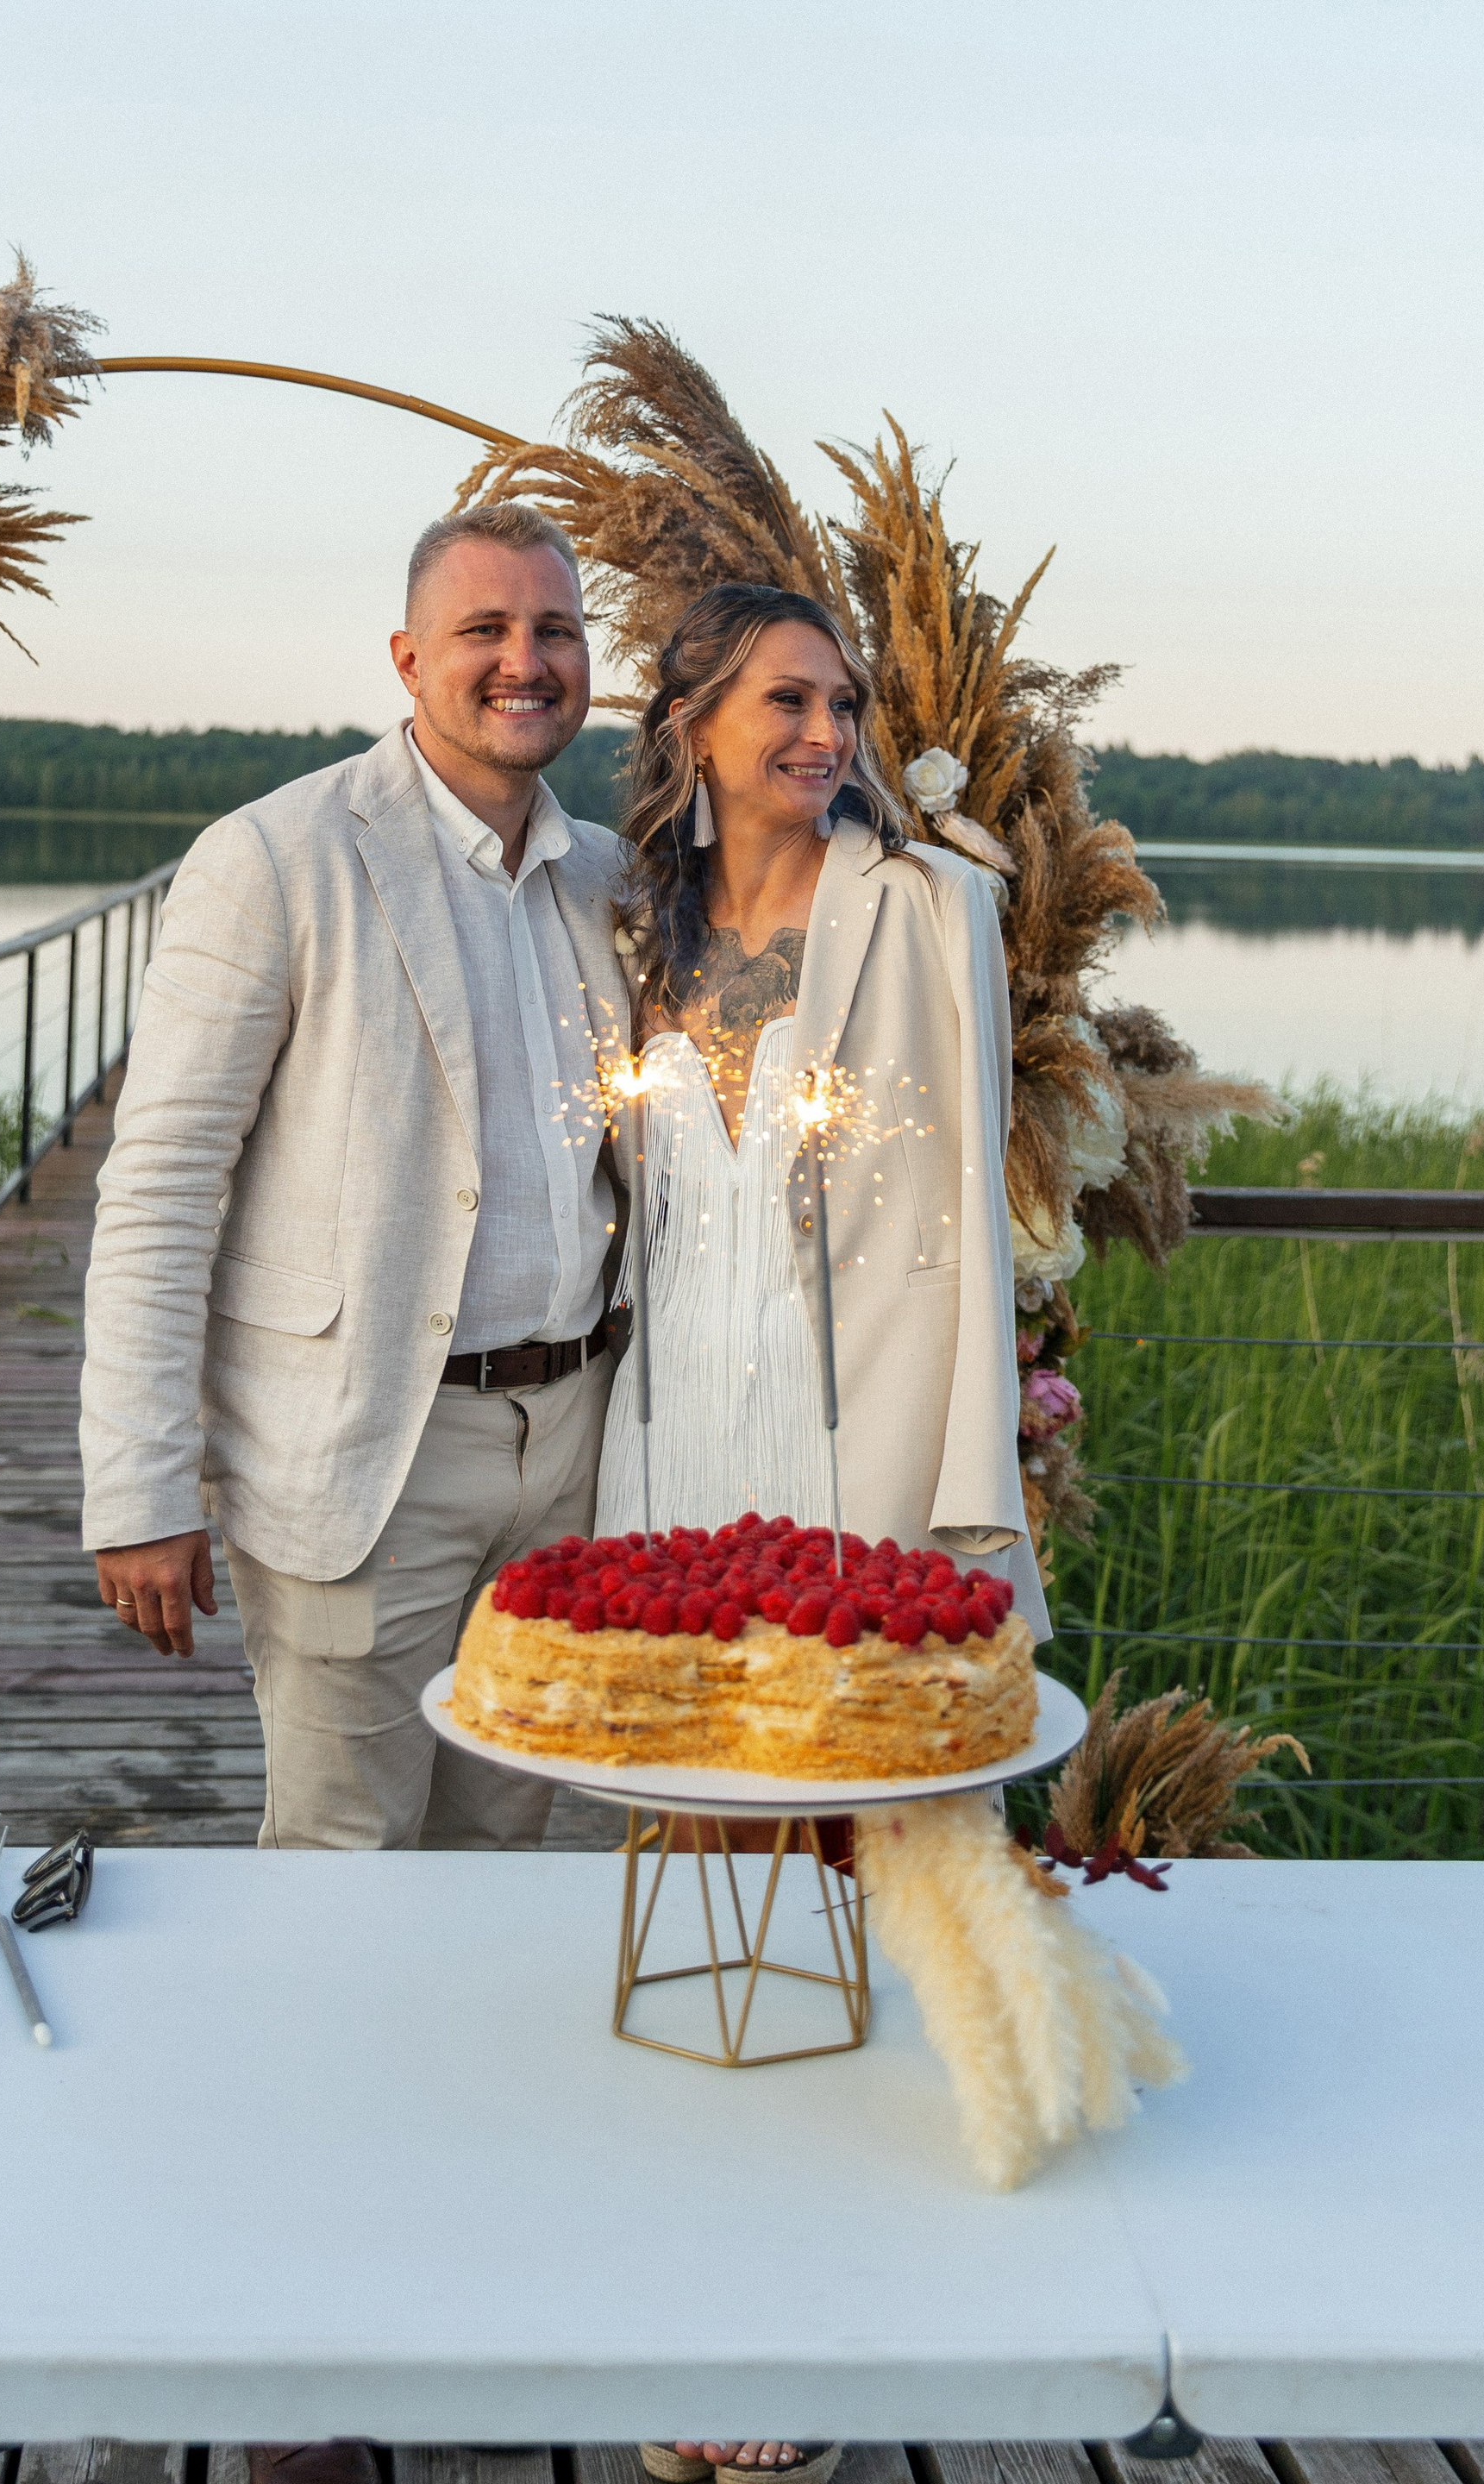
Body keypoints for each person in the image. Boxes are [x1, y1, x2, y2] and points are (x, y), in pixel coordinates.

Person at [601, 580, 1038, 2484]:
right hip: (664, 1446)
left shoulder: (927, 908)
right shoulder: (626, 924)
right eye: (782, 700)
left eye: (841, 703)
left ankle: (817, 2326)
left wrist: (961, 1493)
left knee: (844, 1870)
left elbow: (964, 1231)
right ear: (690, 724)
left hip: (841, 1442)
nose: (824, 734)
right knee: (691, 1869)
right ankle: (676, 2299)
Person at [78, 499, 630, 1872]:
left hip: (572, 1448)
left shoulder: (609, 880)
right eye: (485, 628)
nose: (525, 661)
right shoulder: (276, 858)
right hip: (367, 1446)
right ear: (408, 657)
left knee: (501, 1841)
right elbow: (159, 1186)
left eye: (556, 630)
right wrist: (140, 1487)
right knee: (341, 1866)